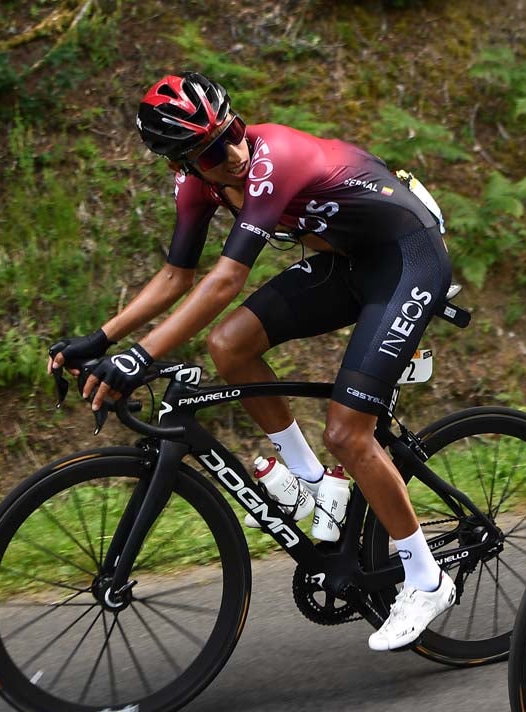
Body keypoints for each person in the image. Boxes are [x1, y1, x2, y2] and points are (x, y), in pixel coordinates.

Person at [47, 71, 456, 650]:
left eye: (232, 131)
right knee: (229, 345)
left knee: (348, 432)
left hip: (407, 260)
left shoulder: (273, 158)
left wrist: (139, 358)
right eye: (212, 150)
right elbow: (174, 277)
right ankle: (317, 487)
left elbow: (226, 281)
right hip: (347, 263)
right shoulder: (196, 188)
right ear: (181, 165)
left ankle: (424, 576)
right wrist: (100, 338)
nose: (233, 152)